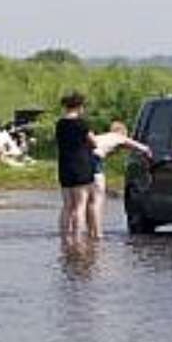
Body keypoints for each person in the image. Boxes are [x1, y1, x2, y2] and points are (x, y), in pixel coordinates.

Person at [86, 121, 152, 239]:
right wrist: (147, 151)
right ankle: (98, 233)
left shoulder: (104, 137)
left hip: (83, 161)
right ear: (122, 132)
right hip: (94, 161)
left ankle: (91, 230)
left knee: (89, 199)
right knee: (98, 199)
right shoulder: (117, 136)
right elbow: (136, 145)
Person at [55, 91, 98, 239]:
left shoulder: (60, 124)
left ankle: (64, 237)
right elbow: (94, 143)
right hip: (81, 166)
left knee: (67, 205)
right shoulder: (82, 123)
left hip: (64, 166)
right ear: (79, 106)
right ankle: (78, 237)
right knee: (80, 205)